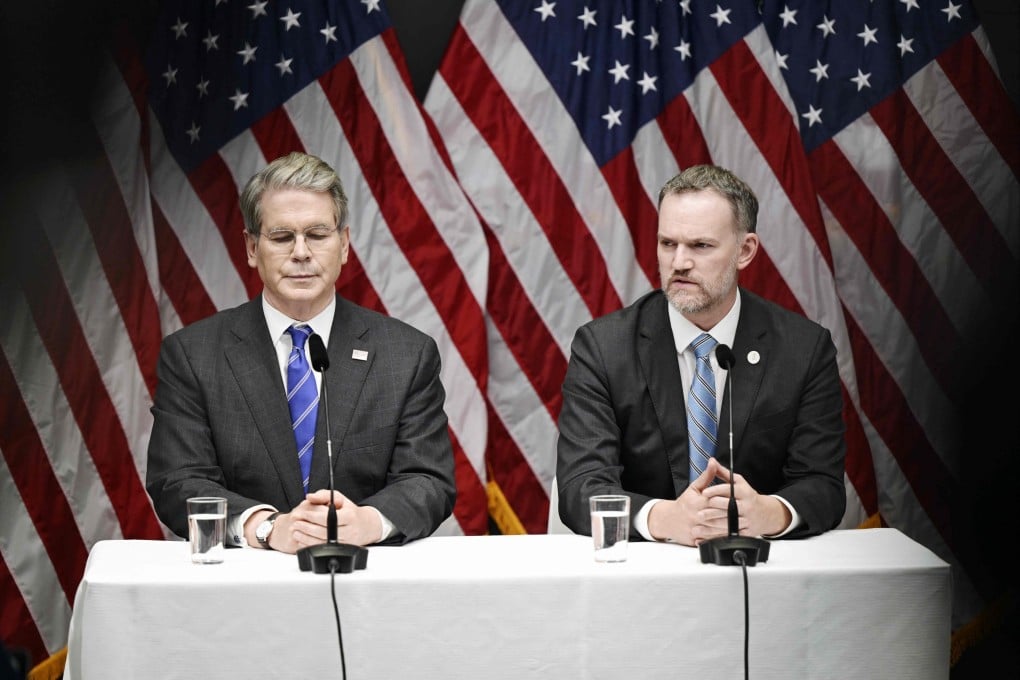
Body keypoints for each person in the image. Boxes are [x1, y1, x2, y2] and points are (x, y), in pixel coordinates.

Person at [146, 151, 456, 553]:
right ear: (252, 248)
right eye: (281, 237)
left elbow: (429, 480)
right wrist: (266, 528)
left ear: (343, 244)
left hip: (363, 586)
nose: (301, 252)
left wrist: (367, 521)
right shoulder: (192, 355)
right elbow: (178, 480)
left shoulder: (406, 355)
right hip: (241, 592)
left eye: (317, 234)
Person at [556, 164, 846, 546]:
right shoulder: (604, 348)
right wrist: (662, 518)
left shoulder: (803, 349)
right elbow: (581, 486)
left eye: (700, 246)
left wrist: (768, 512)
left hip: (760, 573)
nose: (679, 263)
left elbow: (823, 484)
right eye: (667, 244)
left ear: (745, 250)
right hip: (642, 573)